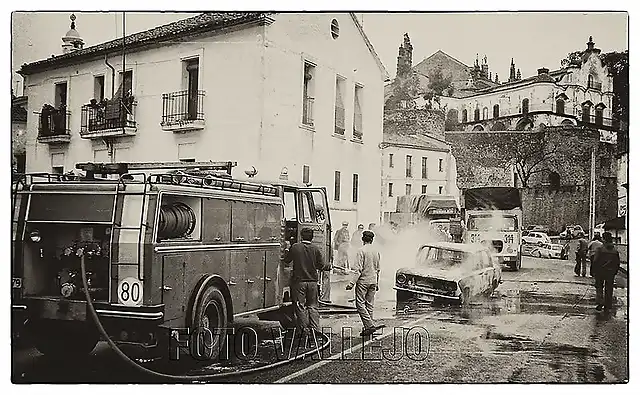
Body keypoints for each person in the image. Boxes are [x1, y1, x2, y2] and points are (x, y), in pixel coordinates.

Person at [283, 228, 329, 335]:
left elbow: (287, 260)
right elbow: (321, 265)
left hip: (299, 283)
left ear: (301, 236)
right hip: (313, 282)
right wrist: (328, 266)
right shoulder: (316, 249)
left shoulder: (295, 247)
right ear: (312, 237)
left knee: (300, 306)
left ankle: (304, 330)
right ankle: (315, 329)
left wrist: (286, 250)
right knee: (312, 306)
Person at [346, 231, 385, 337]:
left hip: (363, 281)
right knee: (369, 305)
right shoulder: (376, 251)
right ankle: (368, 327)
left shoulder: (361, 251)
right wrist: (377, 282)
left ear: (362, 239)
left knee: (360, 305)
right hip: (373, 281)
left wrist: (351, 283)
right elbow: (378, 269)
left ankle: (369, 326)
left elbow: (358, 270)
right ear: (372, 240)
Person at [591, 232, 620, 311]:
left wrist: (594, 271)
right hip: (610, 272)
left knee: (599, 287)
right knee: (609, 288)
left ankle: (600, 303)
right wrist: (615, 271)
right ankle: (608, 304)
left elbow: (595, 261)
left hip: (600, 271)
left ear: (603, 239)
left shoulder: (600, 249)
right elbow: (617, 262)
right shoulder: (615, 251)